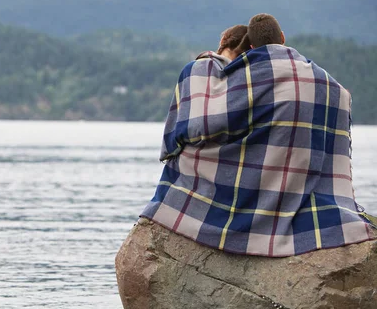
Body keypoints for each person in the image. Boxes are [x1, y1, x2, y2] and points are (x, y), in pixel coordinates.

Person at [140, 13, 376, 257]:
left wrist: (210, 59)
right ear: (282, 37)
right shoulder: (329, 84)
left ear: (251, 47)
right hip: (307, 187)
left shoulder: (247, 77)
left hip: (249, 190)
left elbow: (204, 125)